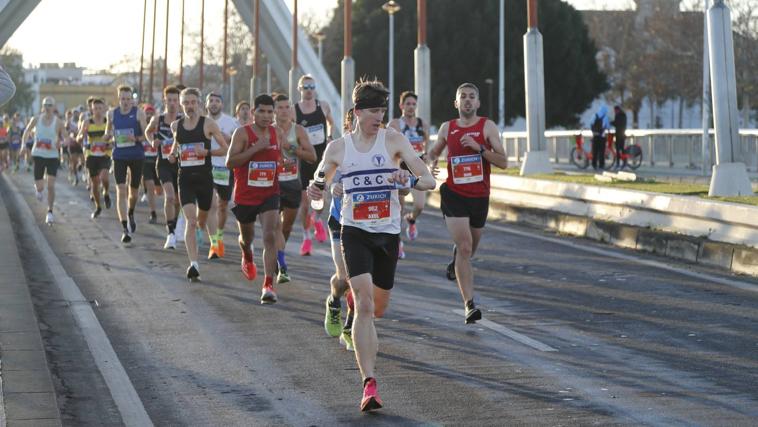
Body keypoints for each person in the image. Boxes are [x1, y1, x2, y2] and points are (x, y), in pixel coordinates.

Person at [308, 79, 435, 412]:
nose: (379, 116)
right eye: (373, 110)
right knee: (364, 306)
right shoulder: (338, 147)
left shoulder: (393, 140)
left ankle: (353, 299)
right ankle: (369, 383)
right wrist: (317, 192)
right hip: (355, 232)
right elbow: (318, 182)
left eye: (382, 110)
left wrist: (404, 180)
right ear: (357, 112)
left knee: (378, 308)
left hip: (388, 234)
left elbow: (428, 179)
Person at [428, 83, 508, 324]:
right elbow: (433, 153)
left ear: (478, 103)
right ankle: (469, 305)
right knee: (464, 247)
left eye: (472, 97)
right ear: (456, 103)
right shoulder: (447, 128)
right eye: (463, 96)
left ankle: (457, 261)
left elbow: (503, 162)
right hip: (454, 194)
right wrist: (430, 164)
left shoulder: (487, 126)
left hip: (479, 197)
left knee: (470, 249)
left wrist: (480, 149)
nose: (467, 100)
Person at [226, 94, 283, 304]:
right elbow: (230, 162)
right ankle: (247, 254)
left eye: (270, 112)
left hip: (270, 193)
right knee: (247, 238)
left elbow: (280, 157)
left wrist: (283, 165)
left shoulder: (277, 132)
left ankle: (268, 284)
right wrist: (256, 148)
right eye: (262, 111)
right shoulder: (242, 133)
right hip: (246, 195)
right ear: (253, 112)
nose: (267, 116)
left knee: (269, 235)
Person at [170, 87, 228, 281]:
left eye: (193, 102)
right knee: (191, 222)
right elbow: (176, 147)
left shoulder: (208, 124)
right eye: (186, 103)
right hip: (185, 179)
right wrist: (172, 155)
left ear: (199, 103)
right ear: (181, 104)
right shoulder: (176, 126)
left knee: (203, 219)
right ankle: (193, 264)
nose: (189, 106)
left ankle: (214, 241)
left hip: (204, 179)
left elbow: (225, 148)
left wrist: (207, 153)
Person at [273, 93, 316, 283]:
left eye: (286, 107)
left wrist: (291, 148)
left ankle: (277, 253)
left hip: (291, 183)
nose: (284, 110)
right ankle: (281, 262)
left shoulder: (298, 130)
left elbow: (312, 156)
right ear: (274, 110)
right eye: (280, 107)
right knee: (273, 225)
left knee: (287, 226)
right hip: (271, 184)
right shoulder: (267, 130)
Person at [326, 108, 355, 351]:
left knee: (362, 281)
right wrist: (332, 185)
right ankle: (334, 300)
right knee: (344, 279)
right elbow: (322, 175)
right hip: (340, 219)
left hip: (368, 223)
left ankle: (350, 328)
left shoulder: (382, 147)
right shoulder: (338, 147)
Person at [295, 74, 334, 255]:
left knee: (321, 198)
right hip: (304, 159)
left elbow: (331, 123)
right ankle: (306, 237)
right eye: (306, 87)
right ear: (300, 89)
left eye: (312, 87)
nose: (309, 90)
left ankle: (317, 219)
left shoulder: (323, 106)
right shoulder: (295, 110)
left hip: (321, 157)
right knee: (304, 203)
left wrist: (330, 136)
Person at [104, 85, 148, 244]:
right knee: (121, 189)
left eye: (129, 99)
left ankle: (130, 212)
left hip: (136, 155)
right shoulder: (112, 113)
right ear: (118, 98)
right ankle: (124, 228)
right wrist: (107, 137)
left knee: (133, 192)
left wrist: (135, 139)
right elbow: (108, 132)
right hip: (119, 156)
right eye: (123, 99)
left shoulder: (139, 113)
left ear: (132, 99)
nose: (126, 102)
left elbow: (146, 136)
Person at [389, 91, 430, 251]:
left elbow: (427, 144)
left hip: (417, 168)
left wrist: (427, 156)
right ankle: (398, 243)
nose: (411, 107)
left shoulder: (422, 124)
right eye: (408, 104)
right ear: (401, 106)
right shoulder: (395, 124)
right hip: (401, 168)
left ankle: (412, 220)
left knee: (420, 205)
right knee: (399, 207)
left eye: (414, 104)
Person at [146, 86, 183, 249]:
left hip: (181, 164)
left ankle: (175, 225)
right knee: (169, 197)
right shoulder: (158, 119)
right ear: (165, 101)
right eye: (170, 100)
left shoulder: (184, 120)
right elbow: (148, 132)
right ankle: (171, 233)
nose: (173, 104)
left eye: (175, 100)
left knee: (178, 200)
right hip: (163, 164)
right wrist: (152, 141)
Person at [22, 96, 67, 224]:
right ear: (42, 107)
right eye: (45, 105)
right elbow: (26, 131)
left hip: (52, 156)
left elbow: (67, 138)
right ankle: (38, 189)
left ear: (54, 107)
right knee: (41, 187)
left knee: (51, 185)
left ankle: (50, 212)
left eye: (50, 105)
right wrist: (23, 146)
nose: (47, 107)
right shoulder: (36, 119)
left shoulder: (58, 122)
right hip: (39, 155)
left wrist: (62, 144)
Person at [205, 91, 238, 259]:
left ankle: (218, 235)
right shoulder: (202, 122)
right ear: (206, 104)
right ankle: (214, 244)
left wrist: (230, 138)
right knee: (210, 204)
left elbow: (241, 142)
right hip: (206, 168)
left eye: (217, 101)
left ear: (222, 104)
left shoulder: (231, 122)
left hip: (225, 168)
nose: (214, 103)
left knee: (223, 205)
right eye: (211, 100)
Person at [78, 98, 112, 218]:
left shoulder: (108, 122)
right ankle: (98, 206)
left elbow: (114, 136)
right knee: (95, 183)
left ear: (104, 109)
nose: (98, 111)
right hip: (91, 155)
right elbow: (79, 137)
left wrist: (111, 142)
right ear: (91, 109)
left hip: (105, 154)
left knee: (104, 177)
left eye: (100, 108)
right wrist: (82, 138)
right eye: (95, 108)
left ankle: (106, 192)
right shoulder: (87, 122)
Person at [590, 105, 610, 171]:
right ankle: (601, 165)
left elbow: (591, 124)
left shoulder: (594, 115)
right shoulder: (605, 117)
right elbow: (607, 126)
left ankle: (594, 164)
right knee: (601, 151)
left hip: (595, 136)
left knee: (594, 151)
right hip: (602, 136)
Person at [611, 105, 628, 170]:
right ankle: (624, 162)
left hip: (618, 135)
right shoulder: (624, 115)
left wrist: (610, 122)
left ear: (617, 110)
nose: (614, 112)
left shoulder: (618, 115)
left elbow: (616, 123)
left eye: (615, 111)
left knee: (618, 149)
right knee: (622, 149)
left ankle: (618, 163)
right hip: (622, 134)